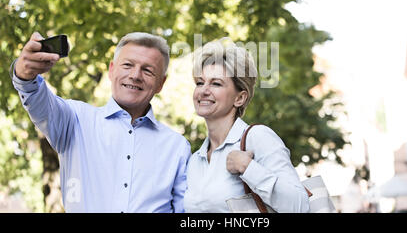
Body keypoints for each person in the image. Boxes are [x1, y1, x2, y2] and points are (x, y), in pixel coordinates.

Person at [11, 32, 191, 213]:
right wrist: (25, 74)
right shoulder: (74, 120)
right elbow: (37, 99)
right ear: (111, 70)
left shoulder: (177, 147)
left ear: (161, 83)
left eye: (148, 70)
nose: (136, 75)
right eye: (127, 65)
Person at [184, 39, 310, 212]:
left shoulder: (257, 137)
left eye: (216, 83)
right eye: (200, 82)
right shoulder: (195, 161)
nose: (203, 90)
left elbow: (300, 205)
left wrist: (248, 168)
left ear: (240, 98)